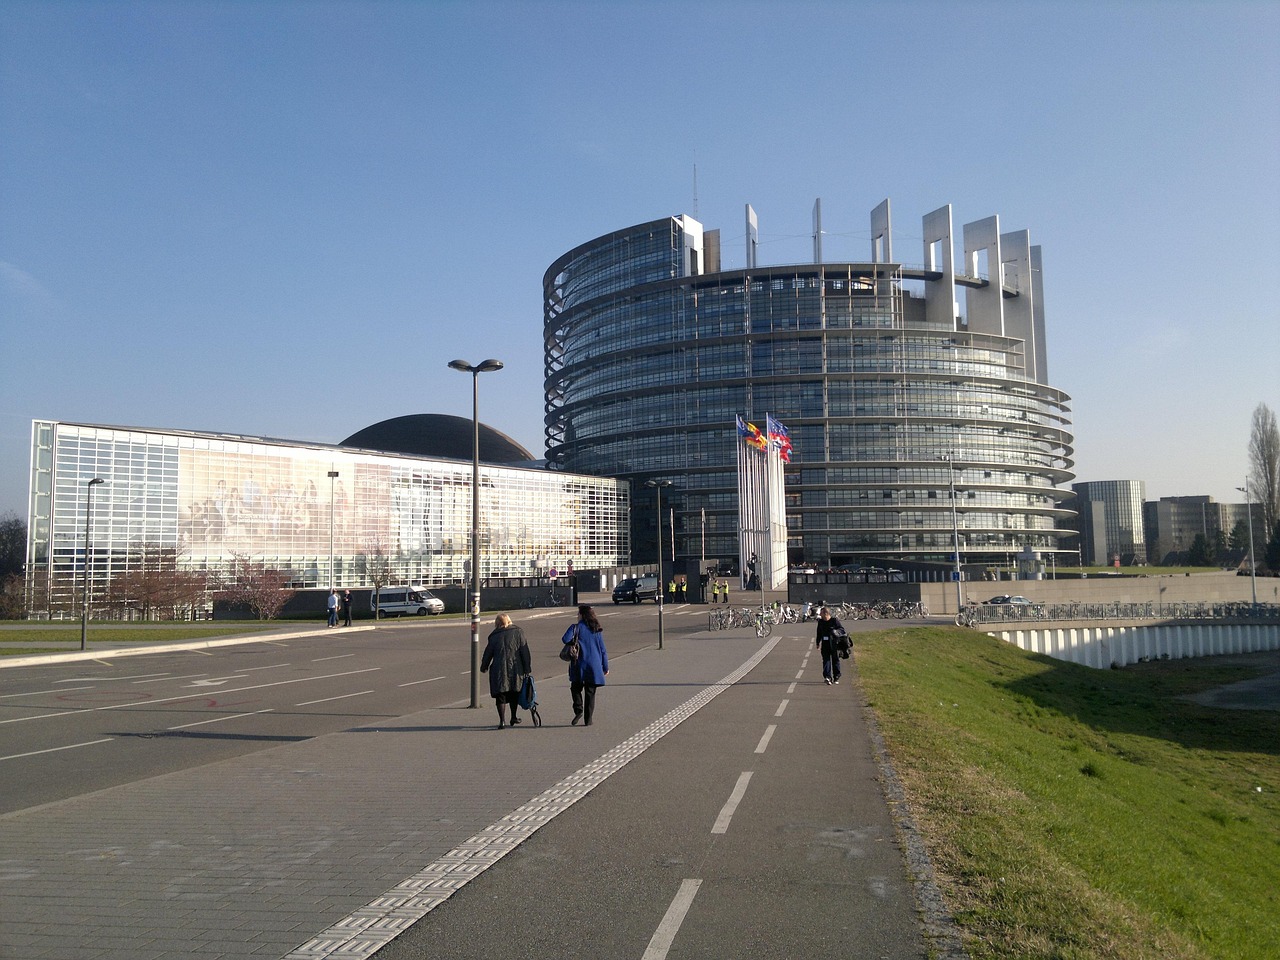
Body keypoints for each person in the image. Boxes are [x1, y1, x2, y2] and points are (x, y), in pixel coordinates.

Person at [480, 613, 532, 729]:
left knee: (501, 695)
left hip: (499, 669)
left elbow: (488, 653)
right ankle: (513, 716)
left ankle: (502, 721)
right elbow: (524, 651)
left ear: (497, 623)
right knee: (514, 692)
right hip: (515, 667)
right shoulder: (518, 632)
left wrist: (484, 666)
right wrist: (527, 667)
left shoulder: (493, 636)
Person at [562, 604, 608, 726]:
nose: (577, 616)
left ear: (582, 615)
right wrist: (605, 667)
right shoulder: (596, 629)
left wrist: (574, 638)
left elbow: (565, 639)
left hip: (579, 664)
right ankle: (588, 720)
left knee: (575, 687)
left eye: (578, 614)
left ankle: (578, 709)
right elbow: (603, 649)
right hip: (594, 666)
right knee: (590, 692)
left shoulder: (576, 627)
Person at [815, 606, 846, 685]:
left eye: (821, 613)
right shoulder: (821, 622)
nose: (820, 615)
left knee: (835, 660)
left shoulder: (834, 621)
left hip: (834, 644)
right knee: (826, 660)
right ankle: (827, 677)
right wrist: (818, 642)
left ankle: (836, 676)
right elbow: (819, 633)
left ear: (826, 613)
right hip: (825, 644)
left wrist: (835, 631)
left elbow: (842, 630)